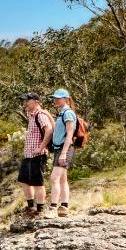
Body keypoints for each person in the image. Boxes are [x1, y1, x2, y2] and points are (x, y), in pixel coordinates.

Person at [16, 93, 54, 218]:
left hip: (38, 154)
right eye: (24, 101)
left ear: (36, 101)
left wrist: (41, 147)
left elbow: (49, 130)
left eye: (27, 100)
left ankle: (40, 209)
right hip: (28, 154)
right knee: (23, 180)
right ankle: (31, 206)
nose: (25, 103)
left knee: (37, 182)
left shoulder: (40, 115)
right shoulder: (31, 115)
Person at [48, 88, 77, 216]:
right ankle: (64, 207)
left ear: (66, 99)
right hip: (58, 148)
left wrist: (64, 153)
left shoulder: (68, 113)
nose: (55, 100)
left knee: (54, 178)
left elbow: (70, 133)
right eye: (55, 98)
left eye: (58, 98)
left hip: (65, 148)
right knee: (62, 179)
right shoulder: (61, 113)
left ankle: (53, 208)